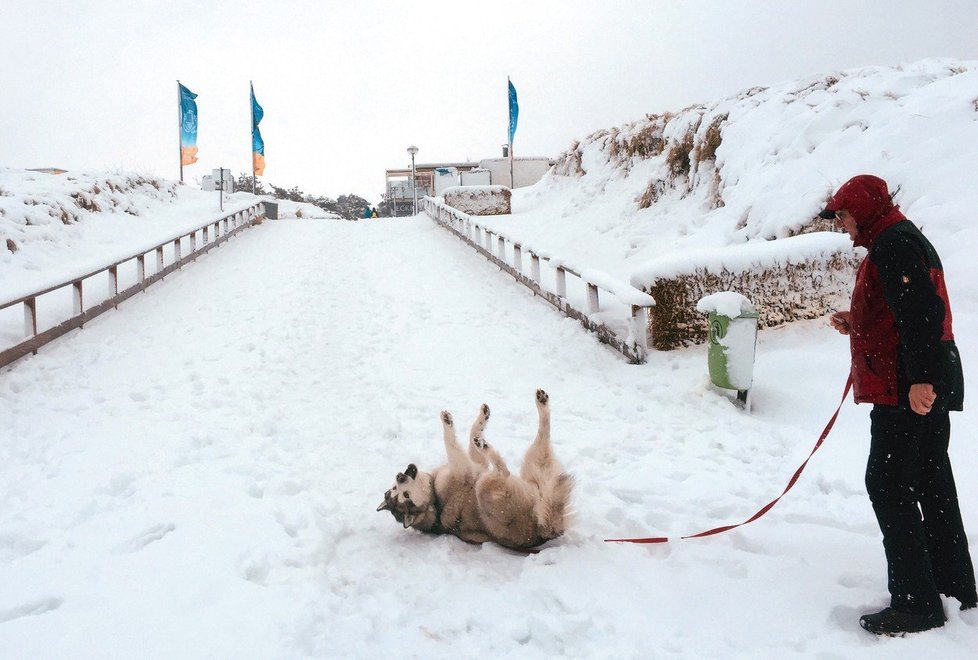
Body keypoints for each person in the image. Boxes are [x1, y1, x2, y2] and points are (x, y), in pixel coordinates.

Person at [822, 174, 977, 635]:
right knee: (930, 479)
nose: (843, 226)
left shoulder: (893, 244)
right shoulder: (899, 238)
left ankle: (915, 603)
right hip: (920, 375)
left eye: (845, 216)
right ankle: (953, 586)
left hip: (908, 384)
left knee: (887, 483)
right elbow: (904, 308)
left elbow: (923, 313)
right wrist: (860, 322)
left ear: (864, 210)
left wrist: (922, 379)